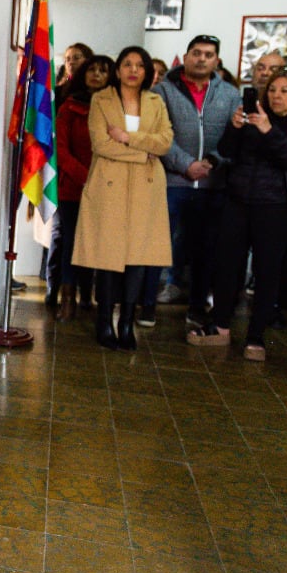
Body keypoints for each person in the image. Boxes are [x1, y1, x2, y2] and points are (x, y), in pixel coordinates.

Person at [187, 71, 287, 361]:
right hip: (238, 200)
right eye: (273, 89)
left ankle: (256, 336)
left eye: (286, 91)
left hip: (277, 206)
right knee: (226, 265)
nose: (276, 95)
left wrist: (268, 131)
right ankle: (220, 326)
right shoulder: (253, 118)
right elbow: (225, 152)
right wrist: (236, 128)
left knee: (267, 270)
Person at [73, 47, 173, 350]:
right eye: (127, 64)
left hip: (146, 186)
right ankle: (104, 322)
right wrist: (144, 151)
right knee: (106, 256)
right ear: (118, 70)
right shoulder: (101, 99)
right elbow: (101, 144)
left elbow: (165, 141)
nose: (133, 70)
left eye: (139, 65)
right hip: (109, 183)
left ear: (147, 72)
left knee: (138, 257)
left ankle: (127, 323)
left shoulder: (156, 101)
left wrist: (129, 138)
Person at [150, 34, 239, 325]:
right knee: (158, 245)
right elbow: (160, 134)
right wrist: (187, 165)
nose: (202, 59)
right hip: (173, 181)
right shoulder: (162, 91)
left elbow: (234, 135)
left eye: (209, 54)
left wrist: (212, 161)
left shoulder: (229, 93)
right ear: (186, 56)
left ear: (216, 60)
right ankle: (147, 304)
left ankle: (197, 307)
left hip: (213, 184)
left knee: (206, 250)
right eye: (197, 53)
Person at [54, 54, 110, 320]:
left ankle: (89, 294)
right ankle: (67, 299)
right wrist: (86, 178)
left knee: (98, 242)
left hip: (108, 188)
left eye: (103, 70)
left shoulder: (117, 108)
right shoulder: (69, 106)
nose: (97, 75)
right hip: (74, 188)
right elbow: (61, 151)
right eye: (92, 70)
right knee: (71, 242)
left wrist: (101, 182)